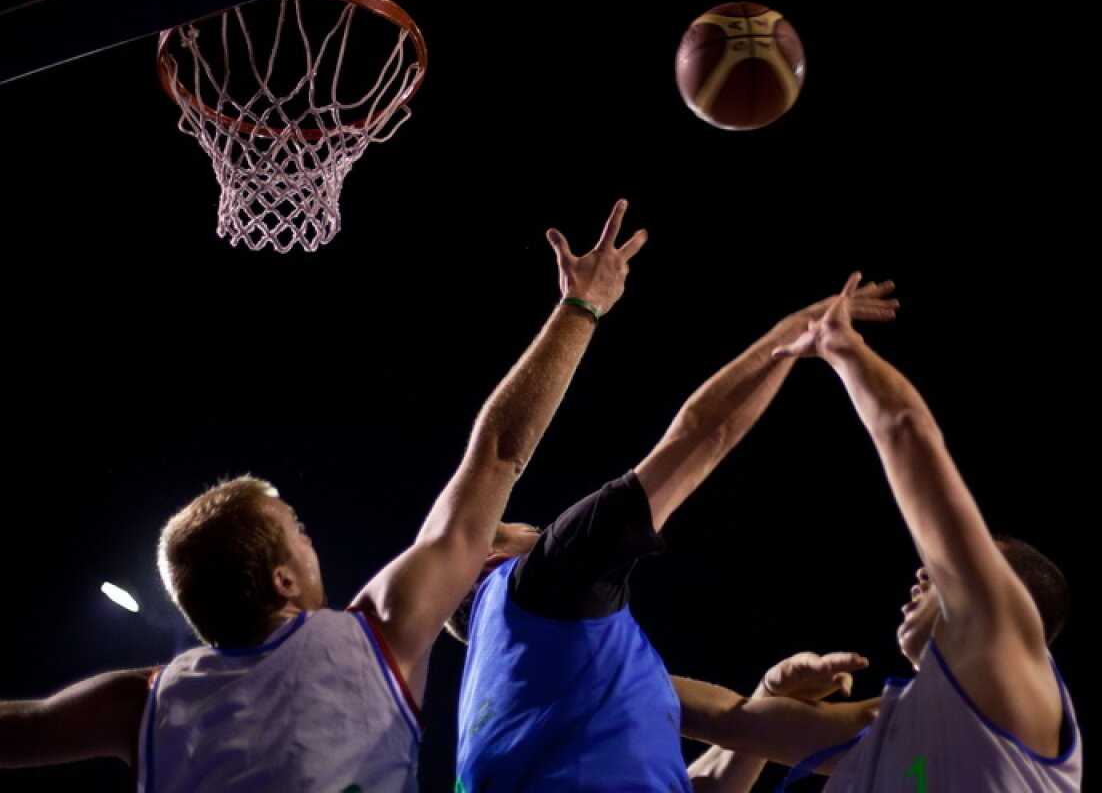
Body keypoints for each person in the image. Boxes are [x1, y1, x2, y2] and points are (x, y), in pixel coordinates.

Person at [0, 199, 647, 792]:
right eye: (298, 530)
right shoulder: (371, 640)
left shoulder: (143, 702)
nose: (312, 542)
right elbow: (499, 452)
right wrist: (581, 307)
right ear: (282, 580)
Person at [450, 277, 900, 792]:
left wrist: (769, 693)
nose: (542, 532)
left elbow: (733, 728)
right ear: (491, 560)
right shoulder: (539, 585)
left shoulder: (523, 695)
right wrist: (791, 336)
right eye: (527, 530)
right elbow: (703, 434)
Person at [682, 272, 1082, 792]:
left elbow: (906, 429)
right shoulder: (894, 724)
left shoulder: (1012, 681)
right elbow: (730, 720)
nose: (925, 572)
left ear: (1008, 607)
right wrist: (583, 656)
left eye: (947, 571)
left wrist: (841, 347)